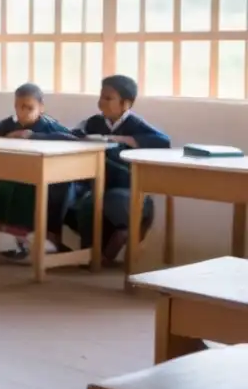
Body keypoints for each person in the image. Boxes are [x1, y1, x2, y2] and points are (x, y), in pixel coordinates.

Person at [34, 74, 170, 263]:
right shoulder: (93, 123)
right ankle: (59, 243)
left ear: (126, 104)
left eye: (108, 98)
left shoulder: (135, 125)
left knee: (96, 202)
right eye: (101, 97)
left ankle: (99, 254)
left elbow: (163, 141)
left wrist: (122, 139)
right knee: (57, 189)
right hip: (93, 184)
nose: (101, 102)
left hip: (126, 188)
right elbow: (72, 136)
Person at [0, 82, 74, 261]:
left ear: (41, 108)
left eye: (29, 107)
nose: (23, 112)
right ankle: (1, 235)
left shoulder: (49, 125)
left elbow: (73, 138)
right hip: (18, 175)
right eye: (19, 107)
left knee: (23, 194)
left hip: (47, 178)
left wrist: (32, 136)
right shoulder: (12, 122)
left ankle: (24, 240)